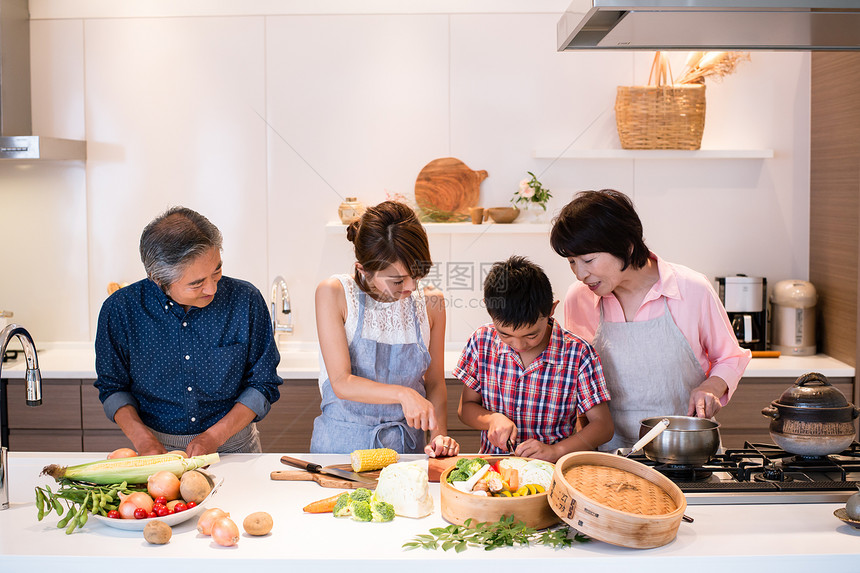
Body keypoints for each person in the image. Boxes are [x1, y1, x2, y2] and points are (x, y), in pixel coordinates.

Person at [550, 189, 751, 451]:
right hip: (609, 456)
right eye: (572, 262)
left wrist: (711, 387)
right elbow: (579, 374)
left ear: (627, 246)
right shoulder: (580, 298)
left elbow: (730, 357)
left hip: (685, 451)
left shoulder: (691, 289)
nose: (580, 274)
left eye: (588, 259)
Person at [94, 207, 282, 456]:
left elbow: (263, 383)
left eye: (216, 271)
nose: (212, 289)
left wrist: (214, 437)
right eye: (196, 283)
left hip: (236, 449)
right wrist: (145, 442)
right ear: (157, 279)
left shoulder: (245, 300)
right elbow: (113, 388)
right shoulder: (121, 310)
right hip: (157, 452)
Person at [311, 201, 458, 457]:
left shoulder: (433, 302)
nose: (411, 287)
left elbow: (435, 383)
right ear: (364, 270)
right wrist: (403, 394)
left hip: (406, 450)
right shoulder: (334, 293)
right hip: (339, 450)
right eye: (398, 280)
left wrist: (439, 436)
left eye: (417, 274)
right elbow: (341, 382)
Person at [453, 256, 613, 462]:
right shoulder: (481, 342)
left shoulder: (578, 354)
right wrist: (491, 419)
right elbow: (465, 408)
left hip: (552, 469)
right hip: (494, 466)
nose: (519, 345)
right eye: (506, 335)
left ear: (551, 310)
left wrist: (556, 451)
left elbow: (603, 426)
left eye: (531, 335)